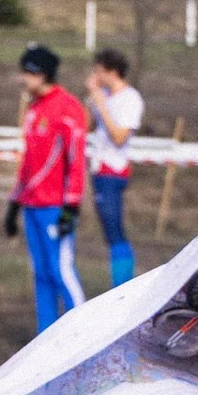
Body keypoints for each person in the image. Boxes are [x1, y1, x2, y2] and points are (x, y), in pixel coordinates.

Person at [5, 41, 87, 331]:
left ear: (41, 74)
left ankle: (86, 335)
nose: (22, 78)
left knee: (60, 271)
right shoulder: (32, 109)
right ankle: (47, 338)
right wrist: (14, 202)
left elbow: (76, 162)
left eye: (27, 72)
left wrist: (71, 207)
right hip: (31, 206)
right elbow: (28, 162)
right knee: (40, 273)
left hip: (56, 207)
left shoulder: (68, 109)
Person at [85, 47, 145, 287]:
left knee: (115, 231)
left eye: (99, 71)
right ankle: (118, 282)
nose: (95, 76)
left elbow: (119, 136)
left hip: (113, 171)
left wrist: (101, 104)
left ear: (111, 72)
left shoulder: (131, 99)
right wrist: (94, 102)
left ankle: (123, 284)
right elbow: (88, 127)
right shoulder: (106, 97)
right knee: (109, 234)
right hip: (99, 169)